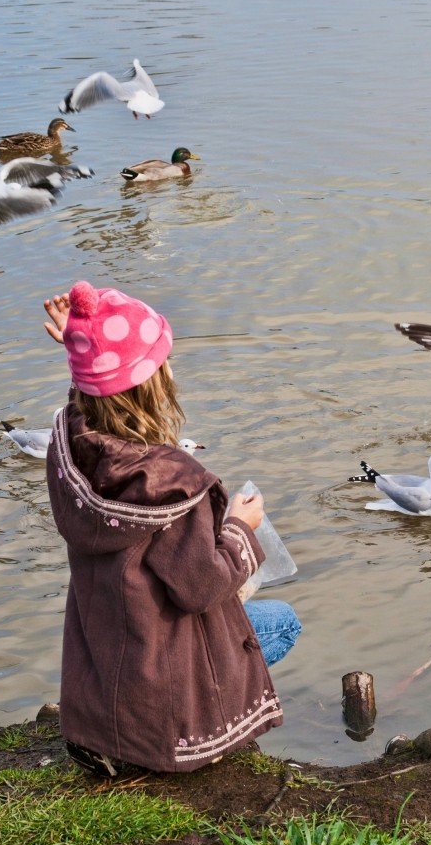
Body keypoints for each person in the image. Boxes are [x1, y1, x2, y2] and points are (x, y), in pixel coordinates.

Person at [43, 281, 301, 776]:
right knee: (281, 621)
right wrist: (242, 529)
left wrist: (83, 353)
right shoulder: (172, 484)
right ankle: (195, 737)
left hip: (103, 698)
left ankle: (113, 741)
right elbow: (202, 587)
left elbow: (84, 405)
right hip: (159, 715)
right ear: (155, 382)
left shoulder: (68, 450)